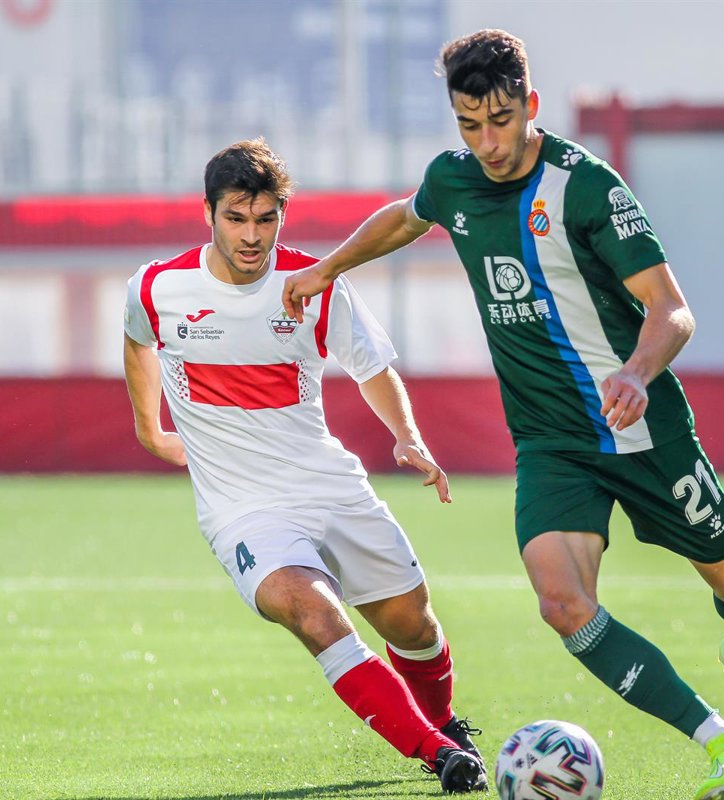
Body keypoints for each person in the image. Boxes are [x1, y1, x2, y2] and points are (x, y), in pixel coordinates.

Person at [282, 30, 724, 800]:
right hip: (552, 442)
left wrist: (637, 371)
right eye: (469, 125)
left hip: (641, 428)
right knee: (562, 603)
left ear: (531, 106)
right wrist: (329, 267)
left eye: (501, 121)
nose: (487, 142)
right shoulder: (452, 180)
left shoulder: (586, 188)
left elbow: (671, 309)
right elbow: (408, 216)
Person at [122, 138, 487, 793]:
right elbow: (137, 339)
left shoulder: (314, 284)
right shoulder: (158, 288)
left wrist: (407, 437)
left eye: (266, 219)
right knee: (316, 615)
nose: (251, 235)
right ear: (208, 213)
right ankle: (438, 754)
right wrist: (150, 429)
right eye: (236, 218)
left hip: (329, 487)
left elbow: (372, 366)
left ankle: (443, 724)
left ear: (282, 216)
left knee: (414, 625)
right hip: (244, 511)